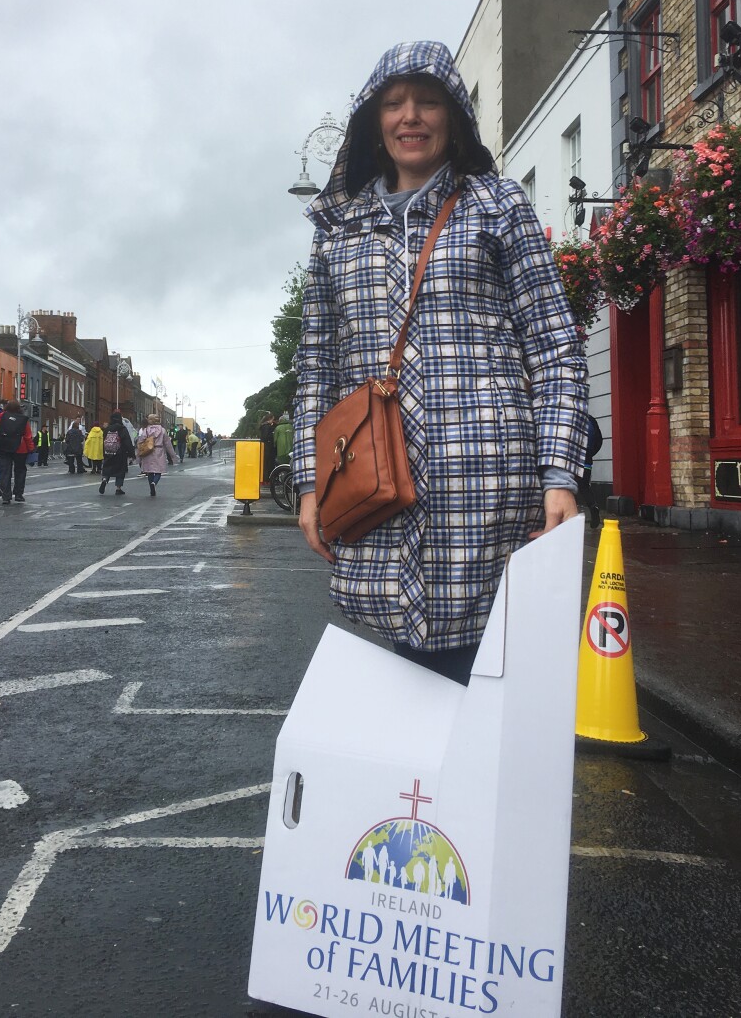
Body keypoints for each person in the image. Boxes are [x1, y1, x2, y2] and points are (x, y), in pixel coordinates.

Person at [292, 41, 589, 685]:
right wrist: (309, 484)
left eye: (428, 101)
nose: (411, 117)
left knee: (500, 682)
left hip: (490, 493)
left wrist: (559, 475)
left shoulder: (498, 206)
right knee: (412, 695)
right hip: (377, 492)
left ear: (453, 115)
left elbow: (555, 347)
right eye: (394, 103)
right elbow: (315, 365)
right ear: (374, 120)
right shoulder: (337, 233)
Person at [0, 400, 35, 505]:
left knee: (5, 471)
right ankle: (19, 494)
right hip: (20, 449)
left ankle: (6, 496)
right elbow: (27, 436)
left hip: (4, 447)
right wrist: (31, 449)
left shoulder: (2, 417)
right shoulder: (23, 420)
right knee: (20, 471)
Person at [135, 413, 177, 497]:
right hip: (159, 450)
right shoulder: (162, 430)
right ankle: (154, 482)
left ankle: (151, 487)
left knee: (150, 471)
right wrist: (173, 456)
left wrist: (138, 456)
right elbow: (168, 444)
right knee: (159, 471)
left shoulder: (146, 430)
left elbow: (140, 442)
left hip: (148, 451)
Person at [99, 409, 135, 495]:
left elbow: (103, 441)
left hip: (108, 452)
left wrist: (104, 452)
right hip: (120, 453)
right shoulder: (122, 429)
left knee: (107, 468)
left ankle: (104, 480)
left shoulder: (107, 429)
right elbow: (127, 442)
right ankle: (118, 488)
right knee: (120, 471)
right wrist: (131, 453)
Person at [577, 414, 603, 529]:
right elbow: (599, 440)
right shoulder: (591, 419)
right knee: (584, 487)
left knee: (567, 487)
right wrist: (590, 454)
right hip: (587, 459)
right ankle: (593, 507)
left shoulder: (568, 415)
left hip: (571, 458)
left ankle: (569, 518)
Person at [258, 413, 276, 483]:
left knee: (265, 463)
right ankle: (267, 479)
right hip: (268, 447)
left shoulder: (264, 426)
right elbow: (266, 437)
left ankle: (265, 478)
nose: (273, 421)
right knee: (268, 463)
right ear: (269, 419)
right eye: (272, 419)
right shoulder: (267, 427)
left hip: (265, 447)